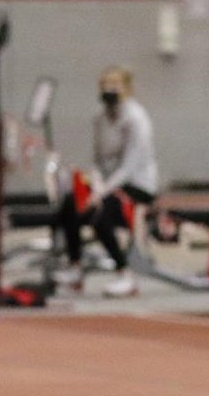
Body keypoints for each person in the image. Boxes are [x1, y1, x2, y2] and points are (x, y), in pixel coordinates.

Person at [51, 66, 158, 298]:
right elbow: (98, 159)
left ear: (127, 87)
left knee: (100, 214)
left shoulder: (136, 118)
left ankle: (125, 276)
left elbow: (129, 167)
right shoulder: (99, 116)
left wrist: (101, 193)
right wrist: (96, 183)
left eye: (115, 83)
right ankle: (75, 269)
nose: (109, 88)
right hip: (108, 184)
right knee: (70, 203)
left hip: (137, 186)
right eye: (105, 83)